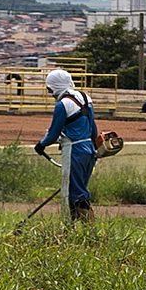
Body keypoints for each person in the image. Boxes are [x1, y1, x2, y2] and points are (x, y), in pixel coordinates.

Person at [34, 68, 98, 222]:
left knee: (76, 194)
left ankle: (89, 230)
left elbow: (53, 134)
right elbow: (93, 129)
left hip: (74, 151)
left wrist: (41, 145)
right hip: (89, 149)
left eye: (50, 89)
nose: (51, 93)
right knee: (77, 189)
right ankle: (74, 229)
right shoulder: (85, 98)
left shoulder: (63, 105)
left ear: (55, 86)